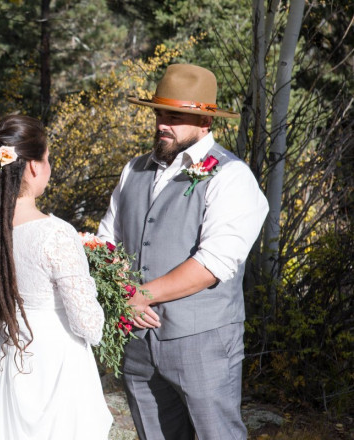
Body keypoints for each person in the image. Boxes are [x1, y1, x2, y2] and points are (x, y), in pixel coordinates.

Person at [97, 64, 269, 440]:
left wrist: (138, 296)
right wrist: (124, 294)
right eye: (159, 112)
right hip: (137, 344)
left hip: (203, 341)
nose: (162, 123)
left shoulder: (232, 176)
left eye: (175, 115)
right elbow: (107, 241)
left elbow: (214, 263)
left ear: (205, 120)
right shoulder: (133, 170)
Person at [0, 115, 113, 439]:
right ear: (32, 167)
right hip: (53, 367)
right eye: (48, 159)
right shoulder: (55, 233)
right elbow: (88, 325)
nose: (49, 166)